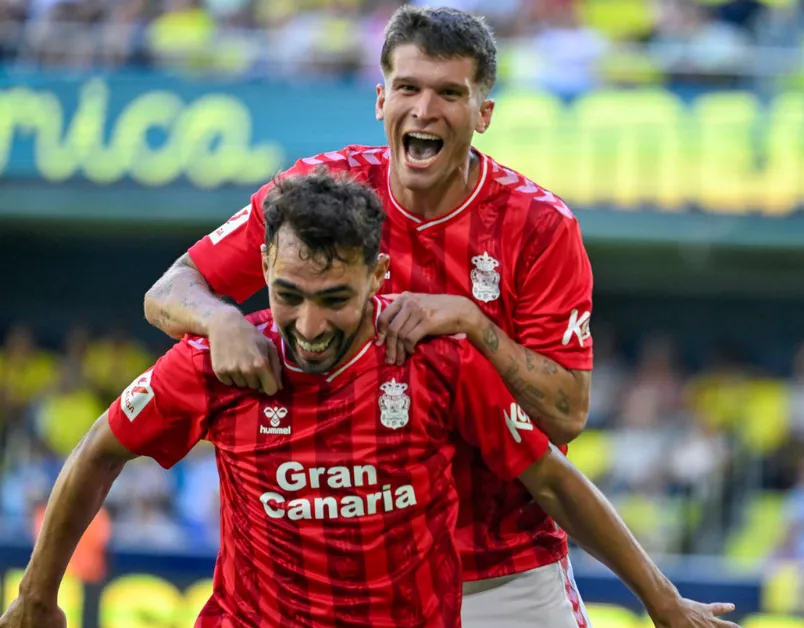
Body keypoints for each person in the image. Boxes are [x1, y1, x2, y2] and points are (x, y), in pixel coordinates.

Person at [0, 172, 736, 628]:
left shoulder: (438, 363)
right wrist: (36, 594)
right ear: (263, 266)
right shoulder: (214, 362)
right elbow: (98, 450)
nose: (308, 326)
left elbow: (550, 476)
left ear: (379, 276)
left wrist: (661, 599)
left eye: (335, 299)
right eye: (288, 295)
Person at [139, 6, 607, 625]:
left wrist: (475, 325)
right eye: (408, 88)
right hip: (356, 579)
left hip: (503, 570)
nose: (424, 110)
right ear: (381, 99)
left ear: (483, 113)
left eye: (449, 93)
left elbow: (567, 414)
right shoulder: (320, 194)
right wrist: (220, 320)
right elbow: (170, 290)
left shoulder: (539, 226)